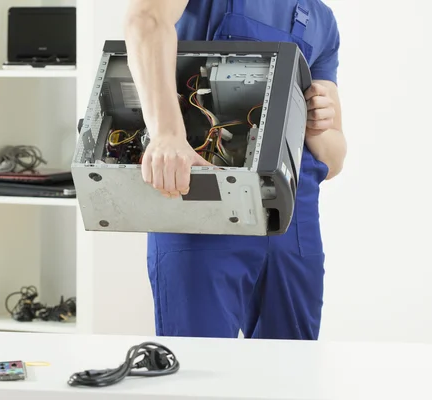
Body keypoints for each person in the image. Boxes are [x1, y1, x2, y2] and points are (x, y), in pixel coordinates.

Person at [123, 0, 347, 340]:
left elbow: (334, 159)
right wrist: (167, 134)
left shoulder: (321, 19)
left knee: (291, 371)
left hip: (292, 216)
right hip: (203, 194)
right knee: (199, 367)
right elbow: (145, 20)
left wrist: (316, 124)